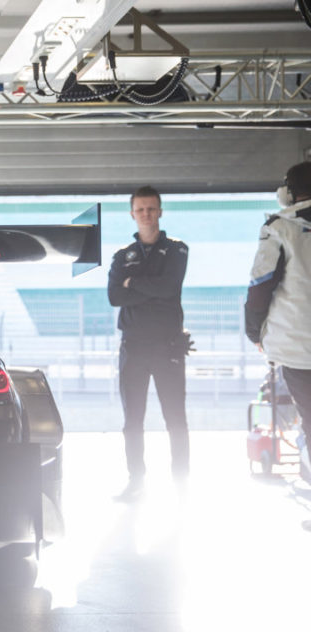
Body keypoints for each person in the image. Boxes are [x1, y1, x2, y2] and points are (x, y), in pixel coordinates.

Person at [108, 185, 191, 501]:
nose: (146, 214)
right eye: (140, 209)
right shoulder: (121, 256)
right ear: (132, 214)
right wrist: (147, 287)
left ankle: (181, 483)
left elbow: (170, 287)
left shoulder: (177, 250)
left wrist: (134, 284)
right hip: (134, 347)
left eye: (151, 208)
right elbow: (115, 296)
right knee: (132, 422)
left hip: (168, 345)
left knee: (175, 419)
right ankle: (136, 480)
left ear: (160, 211)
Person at [244, 161, 311, 528]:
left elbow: (260, 286)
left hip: (299, 350)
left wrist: (255, 333)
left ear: (287, 193)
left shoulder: (279, 229)